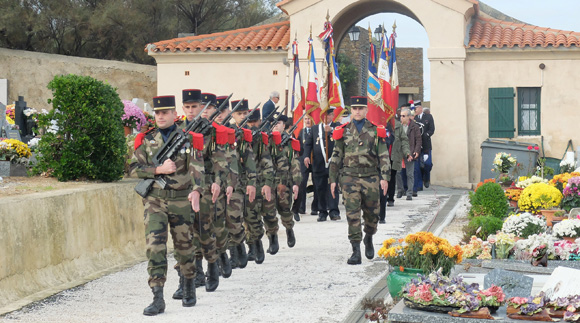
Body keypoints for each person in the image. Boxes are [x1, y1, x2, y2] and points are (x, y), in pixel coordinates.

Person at [130, 95, 204, 315]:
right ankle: (157, 297)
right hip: (155, 201)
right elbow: (132, 168)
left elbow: (198, 167)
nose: (160, 116)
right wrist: (157, 170)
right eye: (157, 113)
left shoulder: (188, 138)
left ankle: (189, 285)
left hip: (181, 199)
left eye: (165, 112)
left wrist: (197, 190)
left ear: (174, 114)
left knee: (185, 247)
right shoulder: (146, 139)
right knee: (155, 248)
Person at [177, 89, 231, 293]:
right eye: (187, 107)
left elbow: (219, 160)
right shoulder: (178, 130)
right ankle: (193, 275)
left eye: (195, 107)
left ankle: (212, 264)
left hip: (207, 186)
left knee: (204, 230)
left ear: (202, 108)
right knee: (184, 233)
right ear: (183, 108)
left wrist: (218, 181)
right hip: (182, 187)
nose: (191, 111)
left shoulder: (212, 131)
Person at [329, 96, 390, 265]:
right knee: (352, 215)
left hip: (370, 177)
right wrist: (333, 179)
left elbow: (383, 155)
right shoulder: (343, 130)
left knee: (372, 215)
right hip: (349, 178)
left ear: (366, 110)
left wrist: (385, 177)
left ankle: (369, 236)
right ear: (351, 110)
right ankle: (355, 250)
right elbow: (336, 156)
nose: (357, 111)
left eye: (360, 108)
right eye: (354, 109)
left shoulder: (375, 130)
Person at [217, 96, 256, 270]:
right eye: (216, 112)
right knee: (219, 222)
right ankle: (230, 253)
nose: (219, 115)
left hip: (236, 182)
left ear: (228, 113)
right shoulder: (209, 133)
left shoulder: (238, 133)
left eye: (222, 111)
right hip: (215, 184)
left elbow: (248, 160)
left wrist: (251, 182)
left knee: (233, 219)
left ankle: (238, 247)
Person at [263, 115, 301, 254]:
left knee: (285, 209)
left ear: (284, 125)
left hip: (284, 181)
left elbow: (295, 163)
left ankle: (289, 228)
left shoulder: (290, 142)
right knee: (268, 212)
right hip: (268, 181)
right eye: (272, 124)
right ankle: (272, 237)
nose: (275, 126)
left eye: (278, 123)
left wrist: (297, 182)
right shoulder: (266, 141)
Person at [244, 106, 274, 264]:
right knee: (242, 220)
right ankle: (250, 247)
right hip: (238, 182)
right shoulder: (238, 135)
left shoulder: (260, 139)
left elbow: (267, 162)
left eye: (254, 121)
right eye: (249, 122)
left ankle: (257, 243)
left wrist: (267, 183)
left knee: (253, 217)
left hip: (257, 182)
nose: (251, 125)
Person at [303, 107, 341, 222]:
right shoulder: (315, 129)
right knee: (319, 188)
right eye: (324, 115)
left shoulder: (337, 127)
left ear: (332, 116)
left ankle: (334, 211)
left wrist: (332, 131)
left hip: (333, 163)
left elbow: (342, 138)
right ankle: (322, 211)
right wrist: (306, 156)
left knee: (333, 187)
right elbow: (308, 144)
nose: (326, 118)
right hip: (318, 163)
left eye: (328, 115)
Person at [379, 116, 409, 221]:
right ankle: (381, 198)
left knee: (391, 177)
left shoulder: (397, 125)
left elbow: (404, 140)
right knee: (381, 178)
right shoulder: (376, 123)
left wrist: (407, 152)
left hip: (393, 155)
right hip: (381, 156)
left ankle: (390, 198)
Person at [291, 114, 319, 220]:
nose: (307, 121)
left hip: (315, 160)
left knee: (316, 184)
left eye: (309, 119)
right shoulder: (301, 132)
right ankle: (301, 207)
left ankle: (315, 208)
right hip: (303, 160)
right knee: (302, 183)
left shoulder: (316, 131)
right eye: (306, 119)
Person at [397, 108, 422, 200]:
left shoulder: (414, 126)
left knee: (410, 174)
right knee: (398, 173)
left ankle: (409, 193)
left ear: (408, 117)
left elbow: (418, 140)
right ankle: (400, 190)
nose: (401, 118)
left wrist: (416, 151)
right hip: (399, 153)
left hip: (410, 152)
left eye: (403, 116)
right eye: (400, 116)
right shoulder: (398, 126)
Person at [414, 104, 435, 189]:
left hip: (426, 144)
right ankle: (419, 185)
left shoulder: (428, 117)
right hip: (417, 145)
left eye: (416, 108)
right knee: (418, 165)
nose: (415, 110)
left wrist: (427, 134)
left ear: (420, 108)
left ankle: (426, 178)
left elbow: (432, 129)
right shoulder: (414, 118)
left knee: (428, 163)